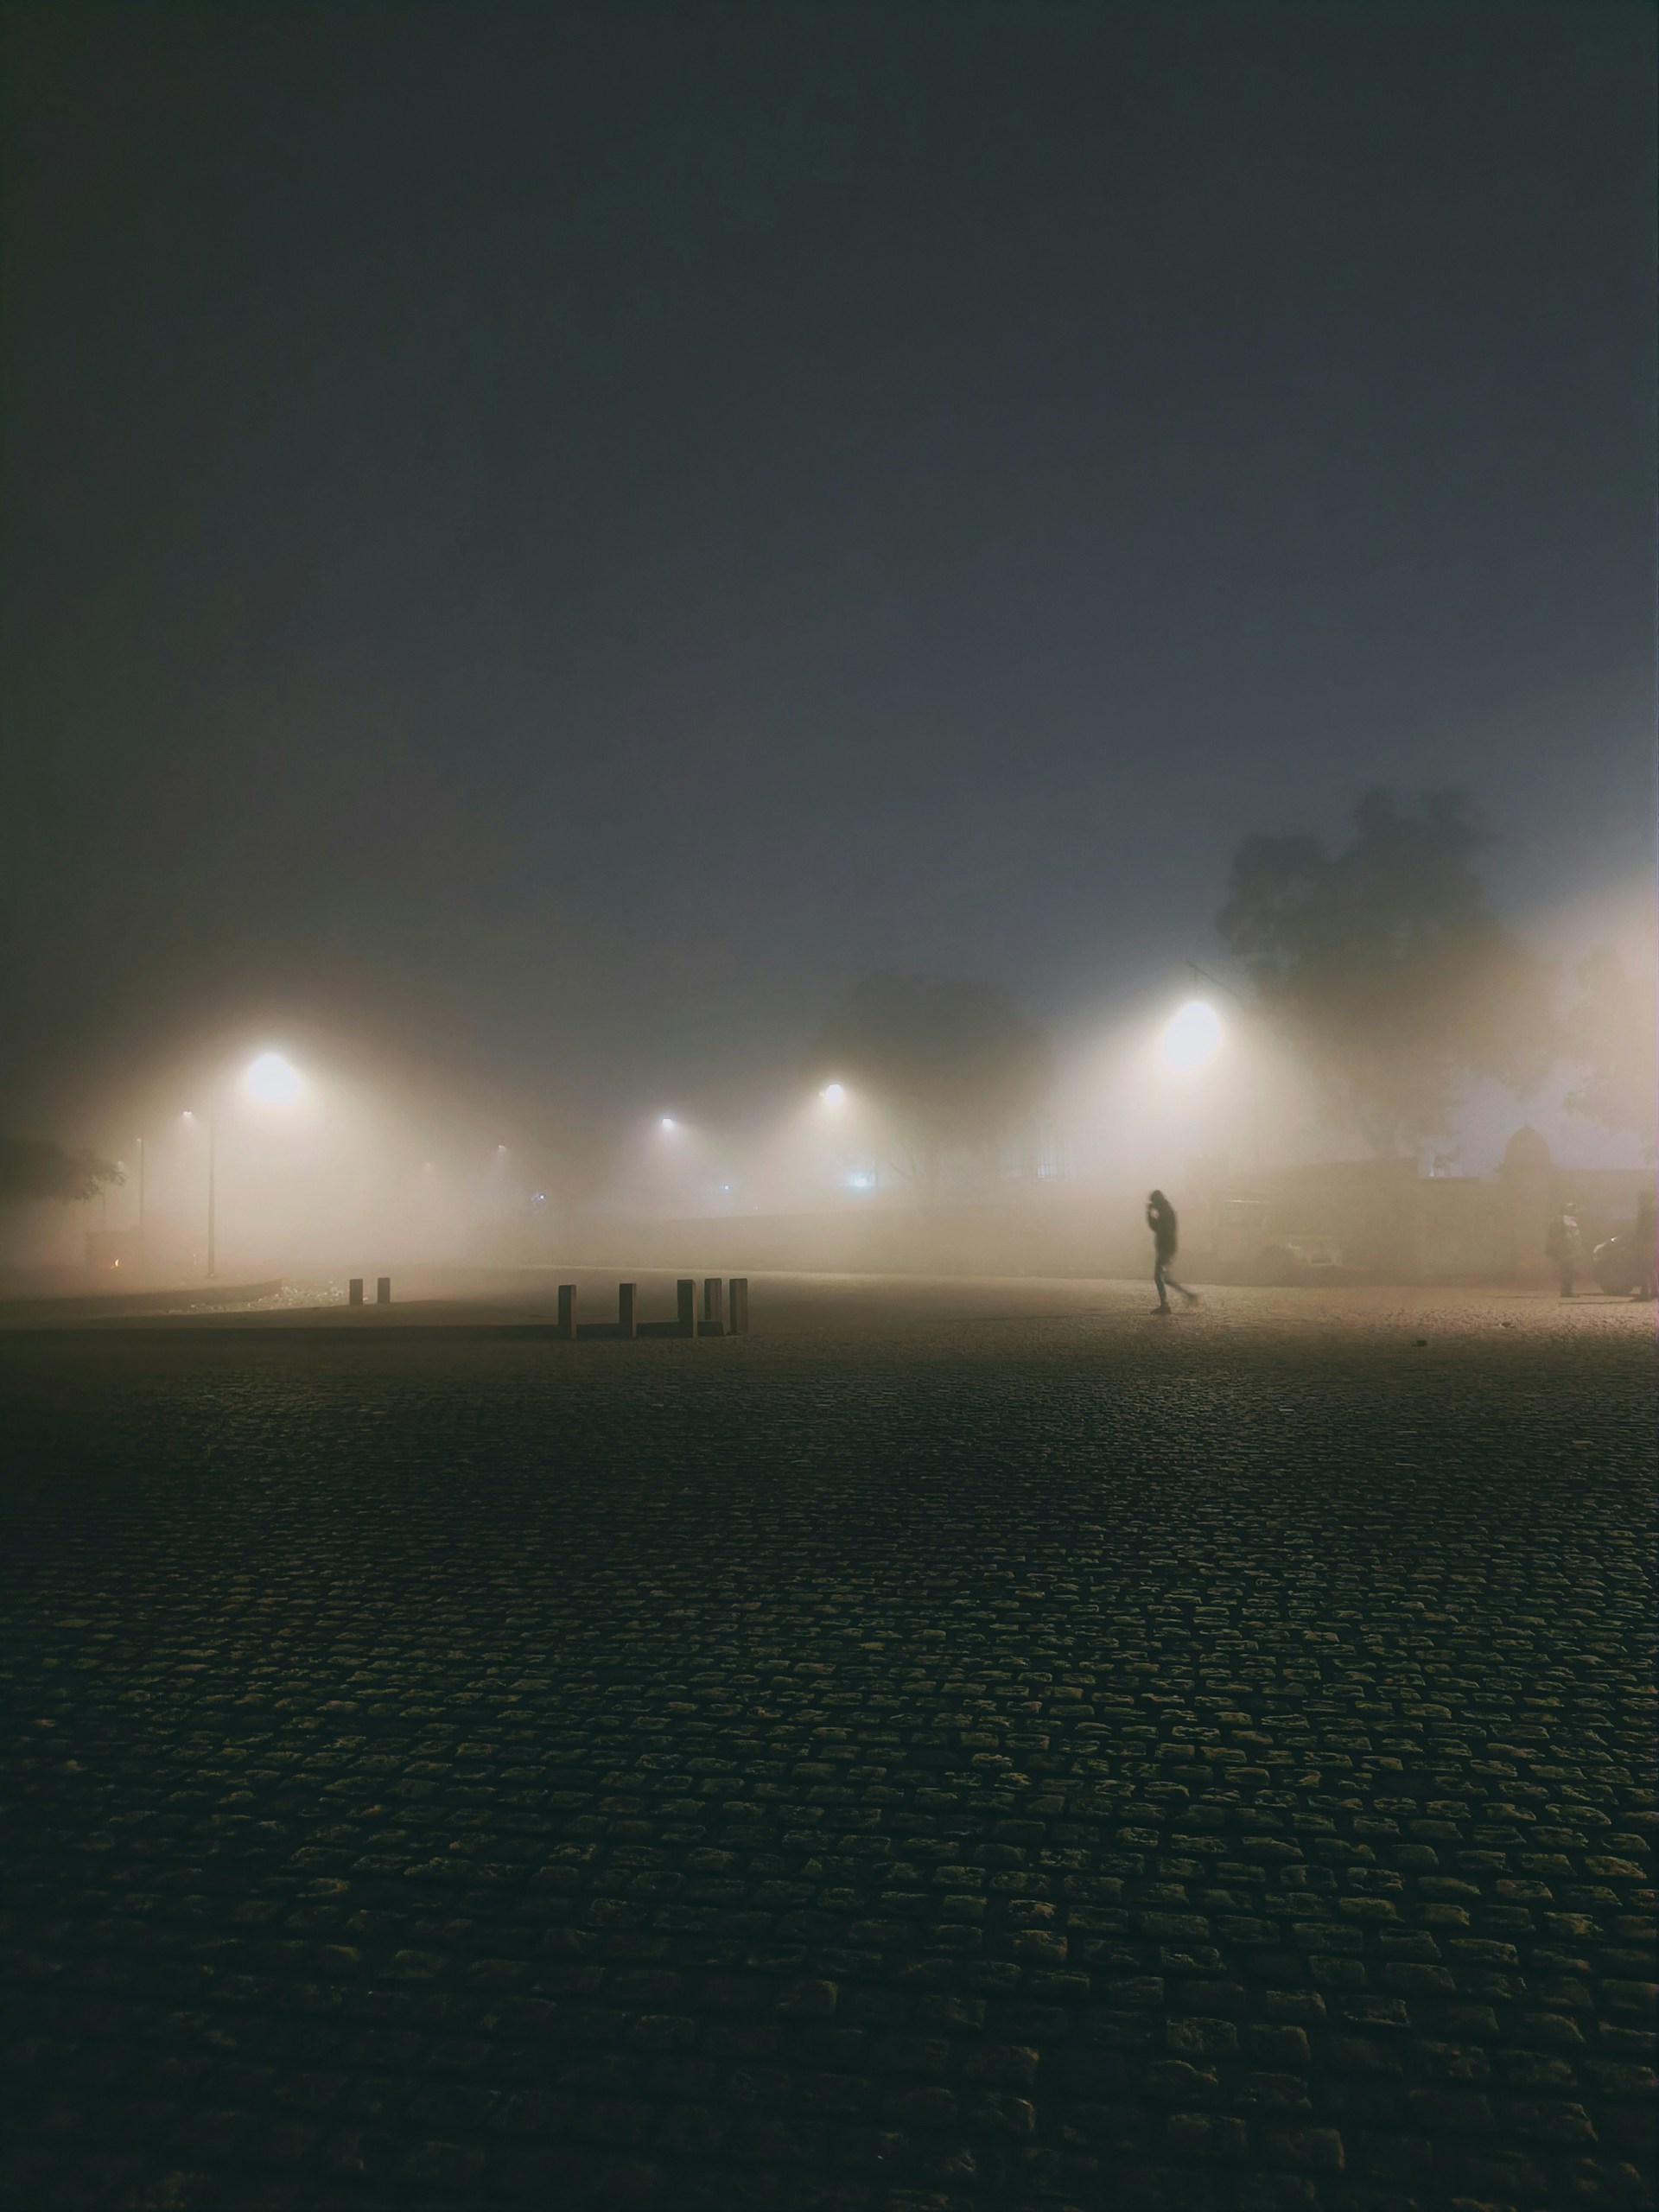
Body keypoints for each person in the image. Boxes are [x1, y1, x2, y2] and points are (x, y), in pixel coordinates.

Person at [1147, 1189, 1198, 1313]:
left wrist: (1149, 1213)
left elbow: (1159, 1229)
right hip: (1168, 1248)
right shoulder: (1165, 1210)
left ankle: (1165, 1305)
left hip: (1166, 1248)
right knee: (1166, 1277)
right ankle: (1189, 1295)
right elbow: (1158, 1228)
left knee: (1158, 1276)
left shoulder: (1165, 1212)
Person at [1545, 1205, 1582, 1299]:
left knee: (1567, 1271)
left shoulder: (1567, 1220)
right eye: (1575, 1209)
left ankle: (1566, 1290)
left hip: (1568, 1250)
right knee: (1567, 1271)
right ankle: (1566, 1291)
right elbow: (1570, 1236)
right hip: (1567, 1250)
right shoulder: (1565, 1221)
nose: (1577, 1211)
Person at [1634, 1186, 1656, 1301]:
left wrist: (1638, 1240)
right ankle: (1655, 1292)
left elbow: (1641, 1228)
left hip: (1647, 1242)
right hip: (1654, 1241)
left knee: (1645, 1267)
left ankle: (1645, 1293)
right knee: (1653, 1267)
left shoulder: (1645, 1211)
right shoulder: (1655, 1210)